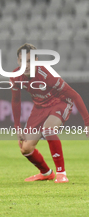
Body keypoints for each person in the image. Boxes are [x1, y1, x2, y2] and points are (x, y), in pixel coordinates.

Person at [10, 43, 89, 183]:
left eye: (29, 61)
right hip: (40, 107)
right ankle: (46, 173)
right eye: (22, 61)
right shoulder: (15, 77)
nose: (26, 65)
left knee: (49, 129)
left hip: (60, 102)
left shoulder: (47, 74)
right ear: (17, 61)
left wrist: (87, 122)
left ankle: (61, 173)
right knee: (25, 148)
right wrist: (17, 127)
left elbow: (75, 95)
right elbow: (16, 101)